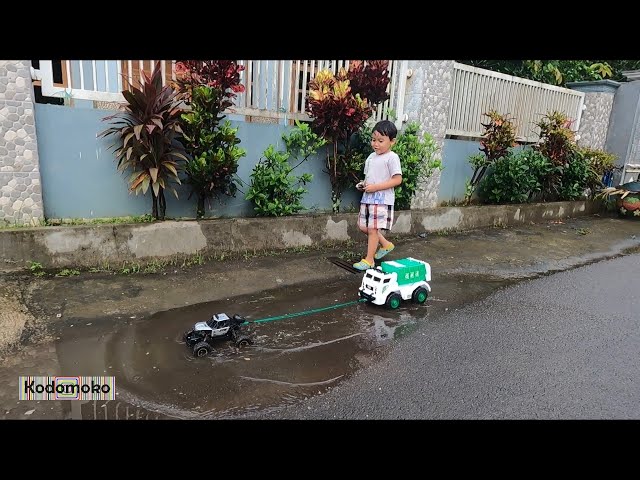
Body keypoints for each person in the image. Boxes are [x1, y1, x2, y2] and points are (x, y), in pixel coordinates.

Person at [353, 120, 402, 271]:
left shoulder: (392, 157)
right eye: (374, 140)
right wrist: (364, 184)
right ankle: (386, 244)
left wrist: (375, 188)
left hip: (381, 201)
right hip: (367, 199)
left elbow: (397, 179)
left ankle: (369, 260)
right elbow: (370, 178)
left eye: (381, 141)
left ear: (392, 141)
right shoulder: (371, 157)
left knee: (372, 229)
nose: (376, 144)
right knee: (363, 226)